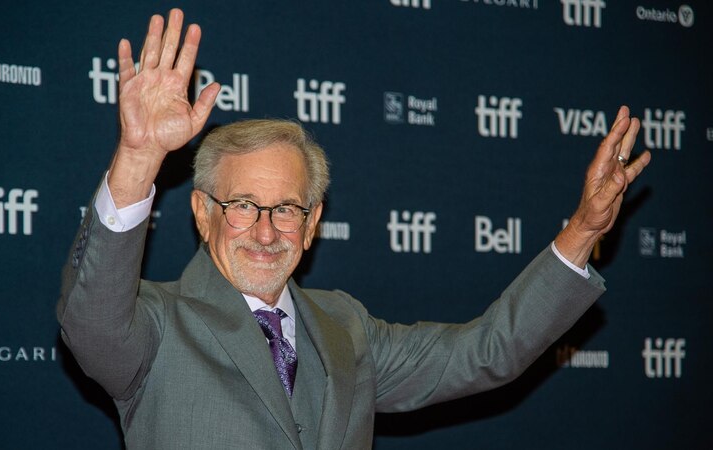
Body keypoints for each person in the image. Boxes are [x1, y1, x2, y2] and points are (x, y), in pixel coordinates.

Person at [58, 8, 651, 450]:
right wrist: (137, 157)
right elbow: (90, 320)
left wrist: (581, 229)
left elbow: (487, 352)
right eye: (243, 204)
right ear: (202, 211)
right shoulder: (155, 325)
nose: (266, 233)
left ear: (312, 223)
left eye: (286, 209)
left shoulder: (347, 328)